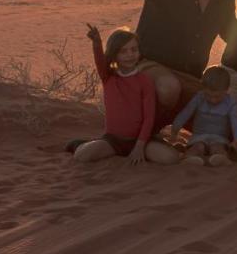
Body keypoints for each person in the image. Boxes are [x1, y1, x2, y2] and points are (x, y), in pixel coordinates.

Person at [34, 0, 236, 125]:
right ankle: (145, 132)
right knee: (168, 87)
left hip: (189, 78)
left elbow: (236, 38)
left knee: (223, 120)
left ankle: (162, 134)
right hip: (149, 68)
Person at [75, 24, 180, 165]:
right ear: (114, 54)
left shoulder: (144, 81)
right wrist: (97, 43)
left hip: (140, 141)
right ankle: (86, 144)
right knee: (82, 156)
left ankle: (158, 146)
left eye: (134, 50)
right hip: (113, 140)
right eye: (123, 51)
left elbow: (149, 118)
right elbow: (100, 61)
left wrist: (139, 147)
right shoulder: (108, 78)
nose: (130, 55)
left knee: (170, 158)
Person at [170, 66, 237, 166]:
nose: (212, 100)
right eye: (208, 95)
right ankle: (189, 159)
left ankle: (220, 159)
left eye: (217, 96)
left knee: (217, 148)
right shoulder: (199, 98)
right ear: (203, 89)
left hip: (219, 137)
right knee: (197, 147)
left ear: (226, 90)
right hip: (199, 136)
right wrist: (175, 128)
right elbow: (186, 113)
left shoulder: (230, 103)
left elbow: (236, 124)